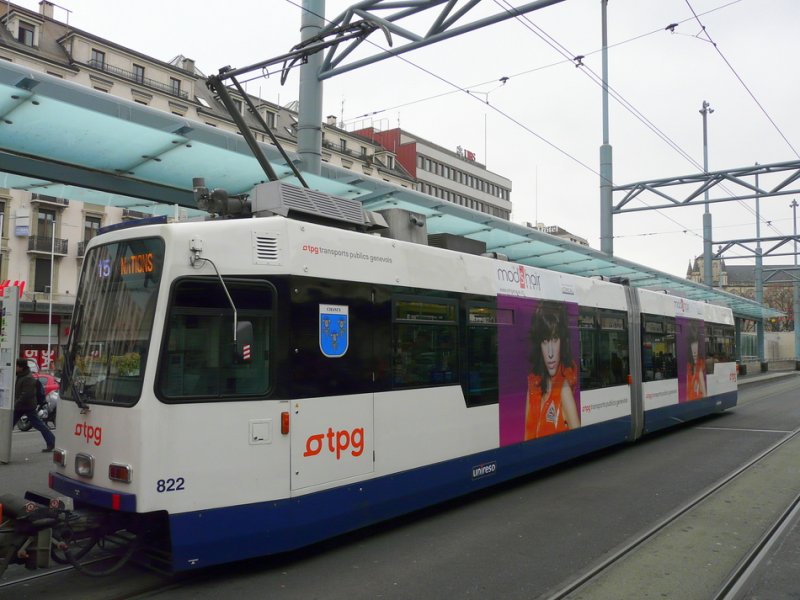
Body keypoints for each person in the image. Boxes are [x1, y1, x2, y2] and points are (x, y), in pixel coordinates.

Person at [525, 303, 580, 440]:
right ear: (539, 345)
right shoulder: (533, 385)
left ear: (562, 342)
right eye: (545, 341)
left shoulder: (564, 390)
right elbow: (527, 435)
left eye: (554, 340)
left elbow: (578, 439)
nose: (550, 353)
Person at [13, 358, 55, 452]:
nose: (14, 368)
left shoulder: (28, 378)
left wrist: (15, 403)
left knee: (39, 425)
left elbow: (26, 394)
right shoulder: (20, 375)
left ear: (21, 367)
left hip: (27, 406)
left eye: (16, 366)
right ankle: (51, 441)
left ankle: (52, 441)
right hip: (22, 406)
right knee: (7, 424)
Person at [686, 322, 707, 401]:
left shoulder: (699, 368)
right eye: (693, 353)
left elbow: (703, 393)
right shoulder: (689, 368)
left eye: (696, 353)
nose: (695, 355)